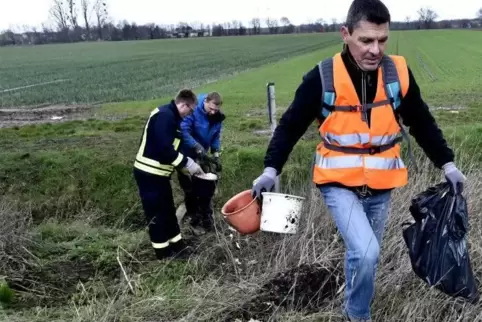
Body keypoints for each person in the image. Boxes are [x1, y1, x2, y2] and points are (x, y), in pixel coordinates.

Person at [251, 0, 466, 321]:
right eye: (366, 40)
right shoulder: (321, 77)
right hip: (338, 185)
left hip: (381, 185)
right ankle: (357, 315)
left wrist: (447, 164)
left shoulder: (398, 74)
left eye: (382, 40)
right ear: (346, 34)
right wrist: (271, 169)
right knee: (366, 252)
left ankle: (353, 307)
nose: (375, 49)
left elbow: (421, 121)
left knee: (365, 257)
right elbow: (290, 126)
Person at [133, 89, 205, 260]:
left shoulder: (172, 118)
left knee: (168, 211)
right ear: (184, 105)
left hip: (160, 175)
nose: (190, 114)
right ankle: (163, 253)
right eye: (191, 110)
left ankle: (178, 247)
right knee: (156, 214)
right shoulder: (165, 116)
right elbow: (164, 150)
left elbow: (173, 150)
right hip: (148, 173)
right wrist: (187, 163)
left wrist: (185, 169)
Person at [178, 92, 225, 233]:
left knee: (206, 188)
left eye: (215, 110)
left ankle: (207, 218)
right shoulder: (193, 111)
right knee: (190, 190)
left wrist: (216, 154)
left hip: (202, 155)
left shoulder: (217, 117)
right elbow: (184, 131)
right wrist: (196, 146)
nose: (212, 112)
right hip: (186, 155)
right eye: (210, 109)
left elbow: (216, 136)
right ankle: (194, 220)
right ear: (205, 101)